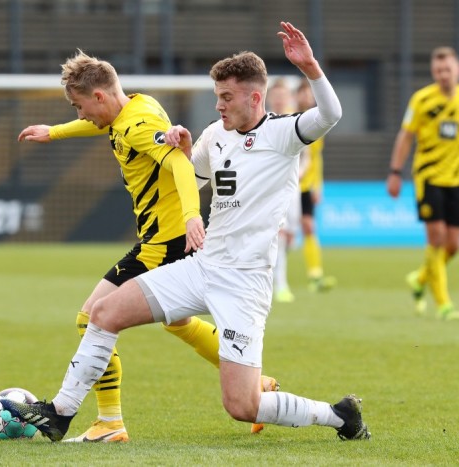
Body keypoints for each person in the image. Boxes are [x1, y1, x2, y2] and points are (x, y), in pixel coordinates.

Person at [2, 21, 370, 443]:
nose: (218, 105)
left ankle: (338, 416)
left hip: (244, 282)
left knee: (242, 405)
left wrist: (310, 68)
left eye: (226, 97)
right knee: (102, 315)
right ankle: (61, 413)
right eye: (217, 96)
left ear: (254, 97)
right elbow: (188, 177)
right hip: (202, 266)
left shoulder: (283, 134)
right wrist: (180, 145)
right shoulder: (214, 136)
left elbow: (331, 115)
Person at [17, 50, 279, 442]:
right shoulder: (132, 109)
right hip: (164, 238)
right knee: (178, 322)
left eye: (79, 106)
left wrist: (191, 215)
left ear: (100, 96)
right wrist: (54, 132)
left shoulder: (138, 125)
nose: (80, 114)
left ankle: (109, 422)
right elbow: (100, 125)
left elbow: (179, 163)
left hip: (165, 241)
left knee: (91, 318)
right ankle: (259, 384)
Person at [387, 46, 459, 320]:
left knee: (454, 245)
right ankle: (444, 304)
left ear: (458, 69)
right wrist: (395, 171)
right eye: (438, 70)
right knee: (435, 237)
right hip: (428, 177)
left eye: (447, 69)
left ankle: (420, 278)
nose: (443, 75)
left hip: (456, 178)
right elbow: (405, 136)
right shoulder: (421, 100)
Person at [296, 80, 337, 293]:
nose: (307, 97)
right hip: (288, 185)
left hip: (306, 185)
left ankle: (315, 274)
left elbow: (316, 157)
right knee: (282, 234)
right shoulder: (290, 118)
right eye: (303, 93)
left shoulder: (317, 121)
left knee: (309, 226)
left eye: (309, 93)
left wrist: (317, 185)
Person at [266, 77, 301, 303]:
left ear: (289, 98)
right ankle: (280, 284)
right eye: (276, 96)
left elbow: (307, 156)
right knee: (276, 235)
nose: (279, 100)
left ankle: (278, 278)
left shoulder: (297, 122)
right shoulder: (263, 122)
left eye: (282, 96)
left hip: (293, 187)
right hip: (271, 188)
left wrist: (303, 174)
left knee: (289, 238)